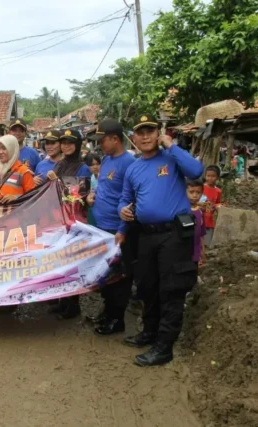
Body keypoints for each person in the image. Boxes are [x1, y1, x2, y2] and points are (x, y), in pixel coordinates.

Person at [119, 114, 203, 367]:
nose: (145, 136)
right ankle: (149, 332)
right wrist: (121, 213)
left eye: (150, 131)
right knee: (147, 287)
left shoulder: (172, 158)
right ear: (133, 137)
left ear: (158, 134)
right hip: (146, 235)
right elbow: (125, 198)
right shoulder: (133, 168)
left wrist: (171, 145)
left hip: (173, 236)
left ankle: (164, 347)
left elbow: (197, 171)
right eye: (140, 132)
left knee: (171, 290)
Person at [85, 118, 136, 335]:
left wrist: (123, 230)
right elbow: (106, 188)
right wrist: (92, 195)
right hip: (101, 228)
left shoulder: (129, 163)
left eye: (102, 140)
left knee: (119, 278)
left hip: (117, 231)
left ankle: (117, 319)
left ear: (115, 139)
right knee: (104, 274)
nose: (99, 145)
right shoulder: (106, 159)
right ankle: (107, 311)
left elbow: (132, 198)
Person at [43, 129, 91, 319]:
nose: (66, 146)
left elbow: (80, 196)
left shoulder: (83, 167)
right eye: (63, 142)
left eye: (70, 142)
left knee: (73, 264)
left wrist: (58, 183)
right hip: (59, 220)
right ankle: (63, 300)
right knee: (61, 262)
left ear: (78, 144)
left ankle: (73, 305)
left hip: (75, 221)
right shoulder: (60, 164)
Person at [0, 135, 35, 203]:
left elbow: (33, 197)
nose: (0, 152)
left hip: (16, 212)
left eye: (4, 148)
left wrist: (17, 197)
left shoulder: (24, 171)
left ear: (12, 149)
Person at [186, 179, 207, 268]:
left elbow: (201, 234)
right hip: (183, 251)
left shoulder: (200, 212)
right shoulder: (182, 210)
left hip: (196, 251)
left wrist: (203, 252)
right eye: (191, 192)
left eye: (198, 192)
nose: (194, 195)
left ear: (202, 194)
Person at [202, 165, 222, 246]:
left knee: (207, 243)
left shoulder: (218, 191)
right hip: (199, 218)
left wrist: (219, 207)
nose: (210, 178)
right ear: (205, 176)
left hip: (209, 220)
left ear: (217, 177)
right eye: (208, 176)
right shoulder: (201, 188)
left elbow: (218, 202)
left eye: (213, 176)